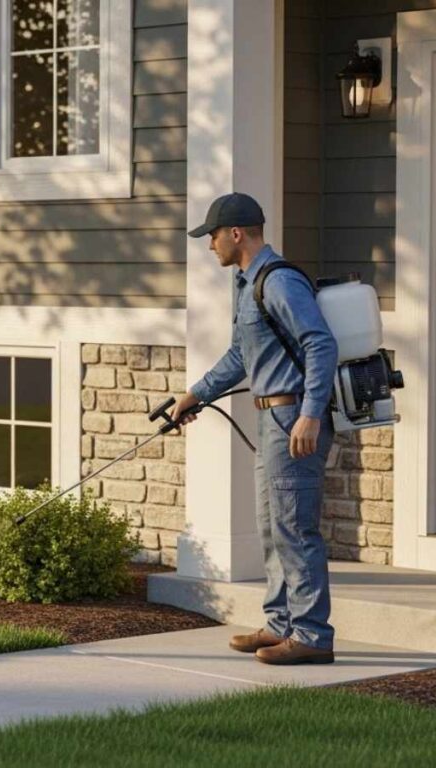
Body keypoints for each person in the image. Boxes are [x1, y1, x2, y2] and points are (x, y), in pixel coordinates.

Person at [171, 192, 339, 665]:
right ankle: (281, 623)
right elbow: (241, 357)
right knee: (272, 528)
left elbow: (320, 345)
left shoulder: (280, 282)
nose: (210, 247)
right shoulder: (247, 284)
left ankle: (311, 635)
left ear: (236, 233)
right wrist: (195, 394)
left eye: (213, 237)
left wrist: (310, 413)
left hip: (293, 419)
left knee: (295, 529)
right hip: (270, 418)